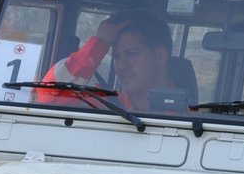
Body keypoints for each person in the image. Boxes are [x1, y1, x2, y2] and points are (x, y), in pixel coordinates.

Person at [36, 12, 177, 110]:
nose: (121, 65)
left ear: (160, 56)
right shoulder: (103, 102)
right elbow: (48, 98)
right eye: (117, 57)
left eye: (132, 54)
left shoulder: (192, 117)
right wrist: (101, 43)